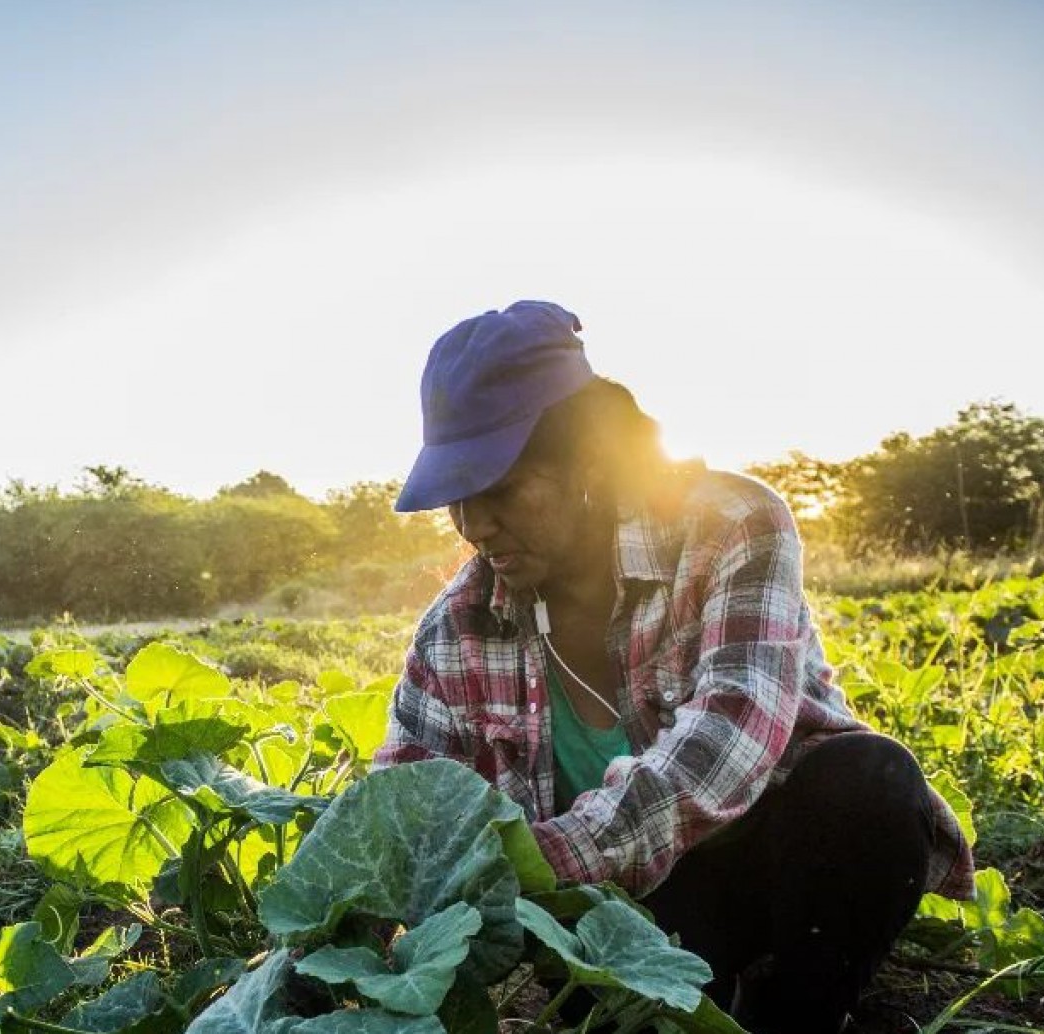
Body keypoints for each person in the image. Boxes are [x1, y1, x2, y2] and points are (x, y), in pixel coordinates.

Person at [374, 301, 974, 1034]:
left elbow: (728, 738)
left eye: (500, 489)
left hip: (780, 849)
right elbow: (400, 802)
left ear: (589, 457)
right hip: (634, 904)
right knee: (632, 989)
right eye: (457, 498)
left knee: (869, 783)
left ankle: (800, 1013)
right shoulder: (456, 628)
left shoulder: (732, 525)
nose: (474, 525)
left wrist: (542, 856)